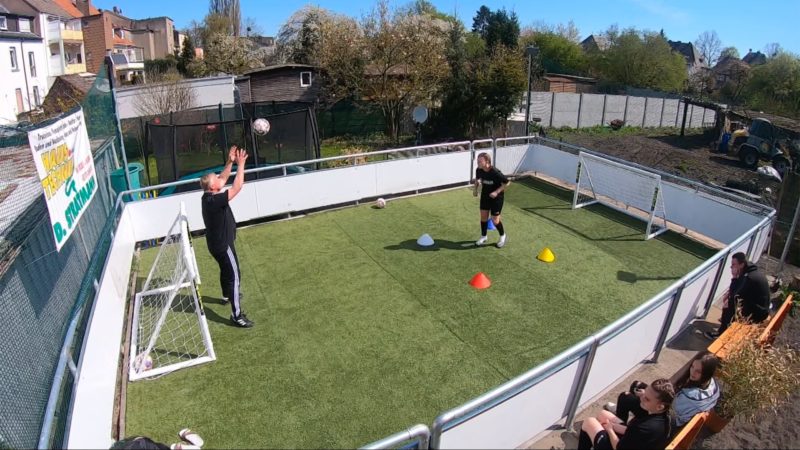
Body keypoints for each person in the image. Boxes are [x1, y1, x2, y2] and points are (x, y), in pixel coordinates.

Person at [200, 146, 253, 328]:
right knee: (235, 275)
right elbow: (237, 186)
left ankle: (225, 295)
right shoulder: (215, 200)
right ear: (214, 187)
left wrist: (230, 161)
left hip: (215, 244)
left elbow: (223, 178)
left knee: (225, 269)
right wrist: (241, 164)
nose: (220, 178)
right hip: (223, 245)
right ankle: (236, 315)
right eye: (217, 179)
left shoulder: (207, 196)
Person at [605, 352, 720, 429]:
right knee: (637, 385)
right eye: (692, 367)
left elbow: (664, 409)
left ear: (706, 373)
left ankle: (622, 424)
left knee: (625, 398)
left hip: (664, 421)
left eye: (698, 371)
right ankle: (626, 412)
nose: (692, 372)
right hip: (674, 415)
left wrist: (646, 396)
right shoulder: (713, 386)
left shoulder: (689, 396)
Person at [578, 378, 674, 450]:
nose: (641, 398)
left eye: (647, 398)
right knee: (603, 414)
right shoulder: (668, 418)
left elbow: (618, 447)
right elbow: (632, 432)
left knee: (589, 422)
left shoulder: (643, 426)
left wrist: (610, 429)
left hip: (620, 446)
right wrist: (612, 425)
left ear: (660, 406)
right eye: (644, 394)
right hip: (634, 443)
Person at [705, 252, 770, 339]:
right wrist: (729, 293)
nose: (732, 267)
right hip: (760, 310)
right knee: (730, 301)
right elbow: (738, 291)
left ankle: (721, 333)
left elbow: (735, 296)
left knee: (728, 305)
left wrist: (734, 277)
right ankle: (726, 321)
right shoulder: (750, 271)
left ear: (742, 264)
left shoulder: (748, 277)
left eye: (734, 264)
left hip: (756, 315)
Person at [473, 152, 510, 248]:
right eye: (477, 161)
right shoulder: (479, 170)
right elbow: (477, 180)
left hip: (497, 198)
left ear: (487, 161)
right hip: (485, 195)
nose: (478, 163)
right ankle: (483, 236)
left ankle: (503, 236)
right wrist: (475, 189)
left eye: (480, 161)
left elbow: (507, 182)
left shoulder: (495, 172)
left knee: (495, 220)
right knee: (483, 217)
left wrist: (496, 192)